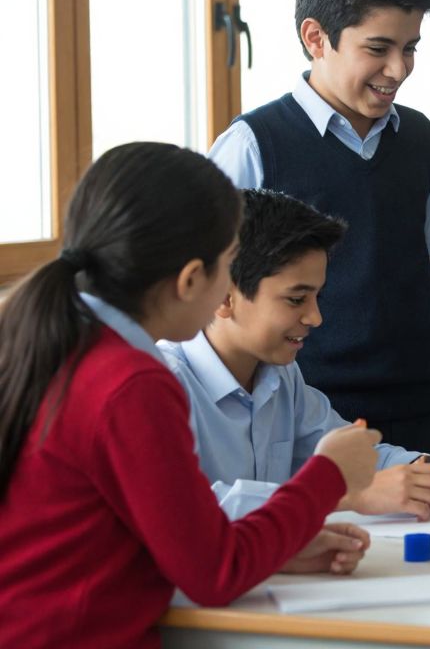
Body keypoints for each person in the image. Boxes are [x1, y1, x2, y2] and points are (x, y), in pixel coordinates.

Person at [0, 143, 380, 649]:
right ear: (190, 280)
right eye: (227, 263)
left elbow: (169, 543)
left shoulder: (56, 341)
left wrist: (276, 544)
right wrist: (327, 476)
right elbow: (215, 572)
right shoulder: (132, 382)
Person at [208, 0, 430, 468]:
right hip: (310, 416)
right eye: (378, 48)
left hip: (426, 409)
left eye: (411, 48)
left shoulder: (421, 140)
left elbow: (423, 268)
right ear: (316, 37)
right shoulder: (252, 146)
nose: (399, 69)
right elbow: (217, 302)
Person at [161, 189, 430, 521]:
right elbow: (188, 509)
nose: (315, 318)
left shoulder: (281, 375)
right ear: (224, 297)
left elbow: (352, 452)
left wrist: (427, 474)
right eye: (296, 299)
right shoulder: (161, 386)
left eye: (317, 296)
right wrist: (343, 494)